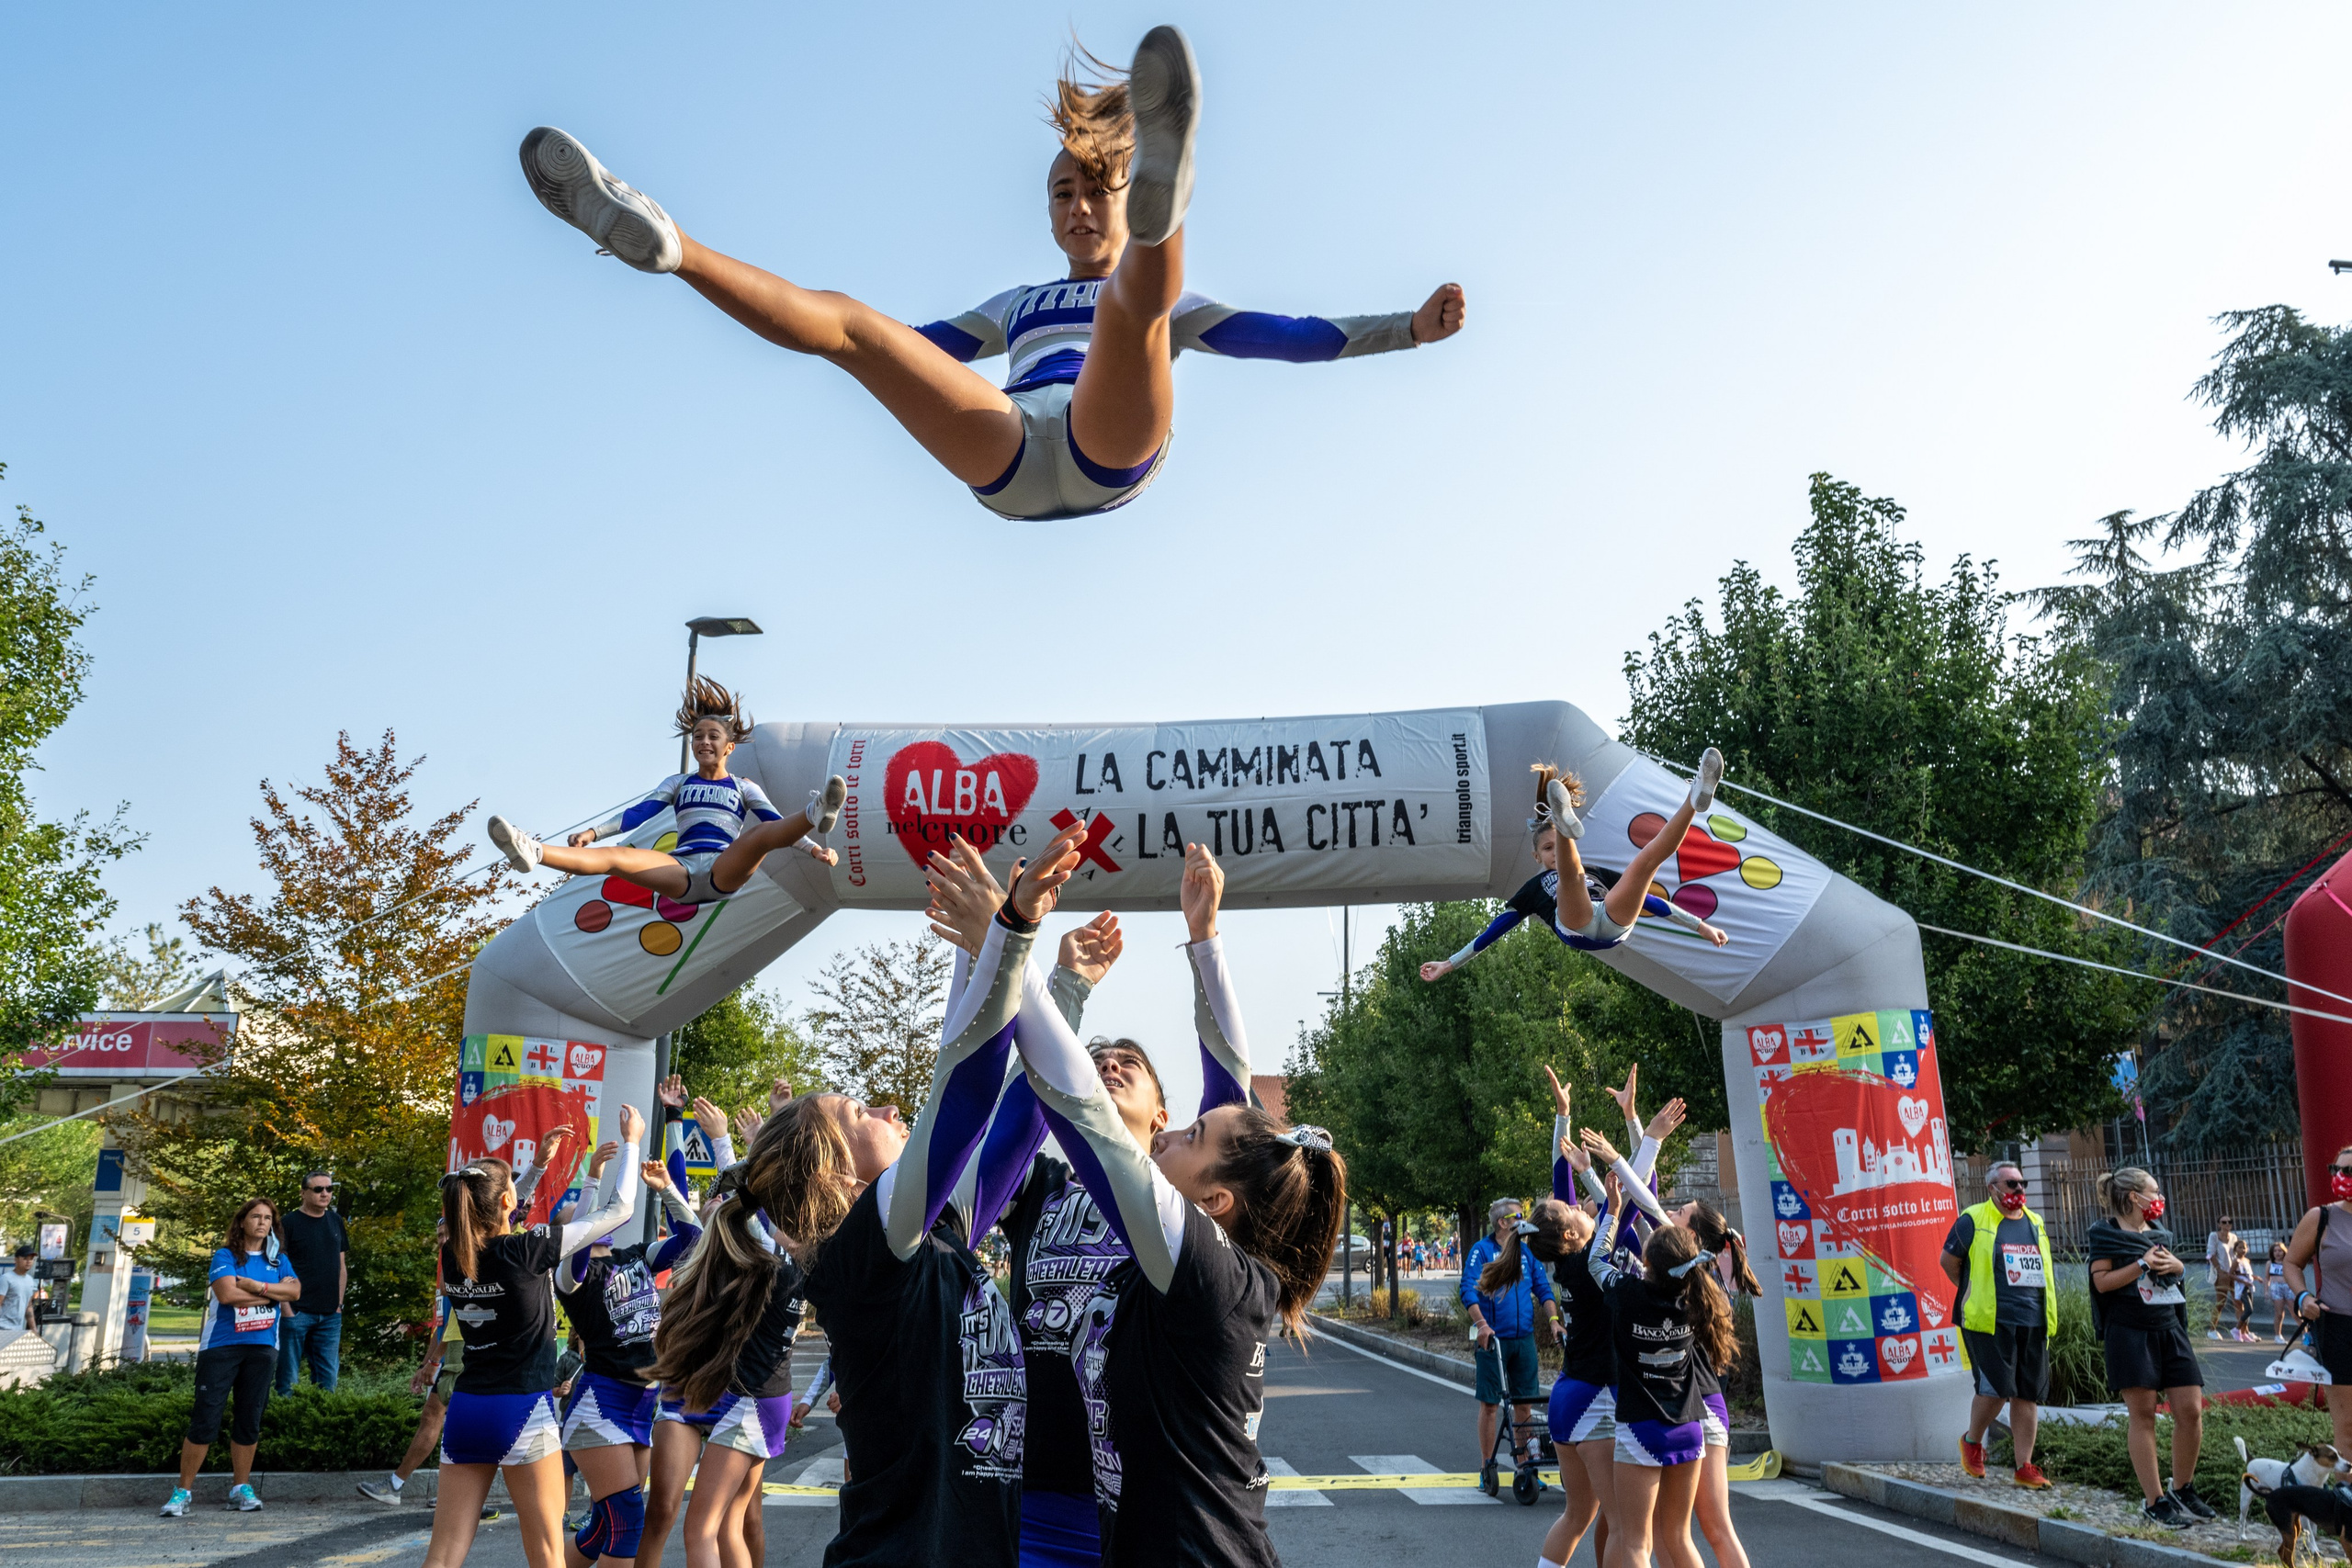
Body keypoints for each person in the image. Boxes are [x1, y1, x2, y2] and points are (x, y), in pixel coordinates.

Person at [514, 28, 1464, 525]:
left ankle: (1168, 202)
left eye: (1097, 190)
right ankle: (672, 245)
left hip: (1107, 445)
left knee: (1135, 308)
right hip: (1006, 451)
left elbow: (1287, 337)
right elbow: (917, 353)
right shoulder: (1017, 306)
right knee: (855, 326)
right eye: (1062, 193)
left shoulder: (1154, 301)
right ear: (1047, 212)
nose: (1077, 207)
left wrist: (1407, 329)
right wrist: (871, 355)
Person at [673, 820, 1093, 1568]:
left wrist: (1048, 978)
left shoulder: (930, 1241)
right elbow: (959, 1098)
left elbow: (1012, 1120)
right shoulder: (864, 1256)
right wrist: (1005, 936)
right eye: (861, 1111)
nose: (890, 1108)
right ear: (838, 1174)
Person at [947, 831, 1345, 1567]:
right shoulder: (1063, 1193)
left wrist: (1013, 946)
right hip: (1065, 1507)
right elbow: (1019, 1127)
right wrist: (1198, 934)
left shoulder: (1202, 1256)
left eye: (1189, 1129)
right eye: (1099, 1058)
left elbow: (1095, 1107)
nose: (1110, 1063)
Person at [419, 1102, 644, 1568]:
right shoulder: (525, 1250)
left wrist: (537, 1167)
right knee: (545, 1553)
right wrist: (632, 1142)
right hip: (522, 1409)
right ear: (506, 1202)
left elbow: (490, 1213)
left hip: (467, 1409)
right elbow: (620, 1209)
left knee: (442, 1556)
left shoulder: (455, 1256)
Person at [487, 679, 845, 904]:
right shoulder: (678, 783)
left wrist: (815, 850)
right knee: (616, 857)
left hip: (723, 868)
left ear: (729, 747)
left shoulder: (743, 787)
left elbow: (775, 824)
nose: (704, 742)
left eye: (713, 737)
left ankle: (816, 811)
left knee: (759, 837)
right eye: (698, 737)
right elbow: (638, 814)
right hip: (681, 871)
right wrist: (593, 833)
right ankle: (533, 851)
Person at [1419, 754, 1731, 987]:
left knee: (1645, 862)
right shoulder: (1533, 889)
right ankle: (1562, 821)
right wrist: (1449, 963)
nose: (1553, 854)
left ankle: (1694, 798)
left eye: (1556, 845)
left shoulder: (1598, 872)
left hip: (1612, 918)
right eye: (1548, 848)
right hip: (1575, 924)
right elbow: (1496, 929)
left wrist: (1700, 926)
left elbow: (1650, 901)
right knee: (1572, 877)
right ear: (1536, 856)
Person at [1582, 1151, 1734, 1568]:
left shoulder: (1627, 1293)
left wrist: (1613, 1213)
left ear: (1646, 1261)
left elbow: (1596, 1261)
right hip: (1689, 1428)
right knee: (1680, 1538)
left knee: (1636, 1541)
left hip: (1642, 1426)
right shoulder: (1694, 1296)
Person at [558, 1141, 701, 1568]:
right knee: (627, 1524)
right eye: (576, 1216)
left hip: (641, 1404)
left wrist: (667, 1188)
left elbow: (694, 1239)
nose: (590, 1218)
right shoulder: (570, 1276)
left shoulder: (636, 1256)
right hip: (600, 1405)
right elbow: (583, 1228)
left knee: (602, 1530)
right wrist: (593, 1179)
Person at [161, 1199, 303, 1517]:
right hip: (222, 1347)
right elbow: (227, 1295)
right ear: (242, 1221)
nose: (262, 1222)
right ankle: (182, 1491)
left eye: (268, 1218)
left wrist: (254, 1286)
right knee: (205, 1419)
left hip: (263, 1348)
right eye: (256, 1216)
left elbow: (294, 1292)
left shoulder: (279, 1260)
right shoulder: (226, 1256)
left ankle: (241, 1488)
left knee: (249, 1419)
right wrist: (271, 1293)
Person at [1526, 1070, 1617, 1568]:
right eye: (1574, 1211)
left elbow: (1561, 1188)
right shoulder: (1591, 1260)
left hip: (1569, 1394)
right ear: (1570, 1235)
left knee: (1580, 1515)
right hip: (1594, 1398)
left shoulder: (1568, 1260)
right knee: (1623, 1522)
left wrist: (1563, 1114)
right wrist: (1603, 1174)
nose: (1579, 1207)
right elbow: (1626, 1207)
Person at [2088, 1166, 2211, 1529]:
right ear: (2133, 1197)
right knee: (2143, 1415)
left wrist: (2178, 1267)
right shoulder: (2105, 1234)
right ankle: (2155, 1500)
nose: (2159, 1198)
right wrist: (2141, 1264)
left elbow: (2173, 1276)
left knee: (2190, 1410)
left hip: (2168, 1326)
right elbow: (2102, 1283)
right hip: (2129, 1330)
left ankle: (2182, 1488)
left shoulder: (2159, 1233)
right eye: (2154, 1192)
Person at [1941, 1160, 2054, 1491]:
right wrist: (1972, 1291)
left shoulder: (2035, 1222)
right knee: (1996, 1390)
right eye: (2011, 1184)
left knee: (2027, 1394)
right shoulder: (1973, 1219)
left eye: (2022, 1184)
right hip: (1988, 1320)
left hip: (2032, 1319)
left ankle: (2024, 1466)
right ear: (1992, 1188)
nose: (2019, 1189)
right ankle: (1972, 1442)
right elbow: (1949, 1262)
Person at [1460, 1195, 1558, 1490]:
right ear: (1503, 1223)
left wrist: (1554, 1321)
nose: (1523, 1220)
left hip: (1523, 1340)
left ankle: (1526, 1467)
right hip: (1494, 1341)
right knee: (1491, 1405)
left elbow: (1543, 1289)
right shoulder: (1482, 1251)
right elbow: (1468, 1290)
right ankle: (1486, 1467)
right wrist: (1482, 1325)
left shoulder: (1526, 1253)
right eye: (1518, 1216)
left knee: (1524, 1406)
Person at [2283, 1141, 2352, 1463]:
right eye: (2336, 1170)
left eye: (2349, 1170)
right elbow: (2291, 1263)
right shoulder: (2321, 1217)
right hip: (2339, 1329)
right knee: (2348, 1428)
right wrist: (2303, 1296)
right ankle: (2346, 1492)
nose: (2340, 1176)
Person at [277, 1168, 347, 1393]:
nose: (325, 1193)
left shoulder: (335, 1221)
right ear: (303, 1193)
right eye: (318, 1189)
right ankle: (283, 1416)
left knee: (328, 1382)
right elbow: (276, 1267)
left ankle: (322, 1418)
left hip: (330, 1315)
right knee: (287, 1381)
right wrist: (286, 1309)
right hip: (296, 1312)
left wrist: (338, 1305)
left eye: (329, 1188)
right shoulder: (288, 1223)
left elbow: (341, 1266)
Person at [2205, 1213, 2240, 1338]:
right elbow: (2211, 1254)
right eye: (2224, 1222)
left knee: (2238, 1301)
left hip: (2233, 1272)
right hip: (2222, 1273)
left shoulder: (2234, 1237)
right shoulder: (2214, 1236)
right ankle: (2212, 1329)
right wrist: (2219, 1270)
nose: (2227, 1224)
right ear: (2219, 1224)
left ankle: (2241, 1330)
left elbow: (2236, 1254)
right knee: (2221, 1302)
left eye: (2229, 1222)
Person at [0, 1245, 43, 1334]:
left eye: (31, 1259)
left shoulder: (30, 1280)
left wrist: (33, 1328)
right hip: (2, 1328)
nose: (28, 1261)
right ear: (16, 1260)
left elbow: (28, 1306)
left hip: (18, 1329)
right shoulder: (6, 1279)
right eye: (25, 1258)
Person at [2231, 1238, 2258, 1341]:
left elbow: (2248, 1274)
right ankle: (2236, 1329)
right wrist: (2243, 1282)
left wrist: (2256, 1278)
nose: (2243, 1250)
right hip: (2241, 1287)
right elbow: (2230, 1274)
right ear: (2236, 1249)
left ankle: (2243, 1333)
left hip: (2249, 1286)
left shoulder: (2246, 1260)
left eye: (2244, 1248)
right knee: (2248, 1309)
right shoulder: (2236, 1261)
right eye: (2240, 1248)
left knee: (2248, 1311)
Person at [2268, 1240, 2292, 1343]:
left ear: (2284, 1251)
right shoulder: (2270, 1263)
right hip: (2276, 1288)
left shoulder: (2288, 1263)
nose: (2277, 1253)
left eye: (2280, 1251)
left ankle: (2306, 1334)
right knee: (2279, 1313)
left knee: (2295, 1312)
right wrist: (2266, 1291)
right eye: (2275, 1251)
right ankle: (2278, 1335)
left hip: (2288, 1287)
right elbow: (2267, 1278)